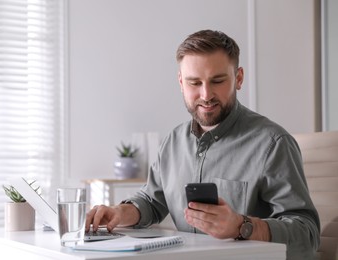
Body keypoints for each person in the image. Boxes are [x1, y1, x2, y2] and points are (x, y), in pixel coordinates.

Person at [85, 29, 320, 259]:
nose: (206, 94)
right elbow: (152, 201)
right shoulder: (172, 143)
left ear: (238, 78)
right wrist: (119, 212)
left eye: (217, 81)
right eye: (194, 82)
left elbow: (307, 235)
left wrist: (242, 226)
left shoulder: (274, 144)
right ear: (180, 82)